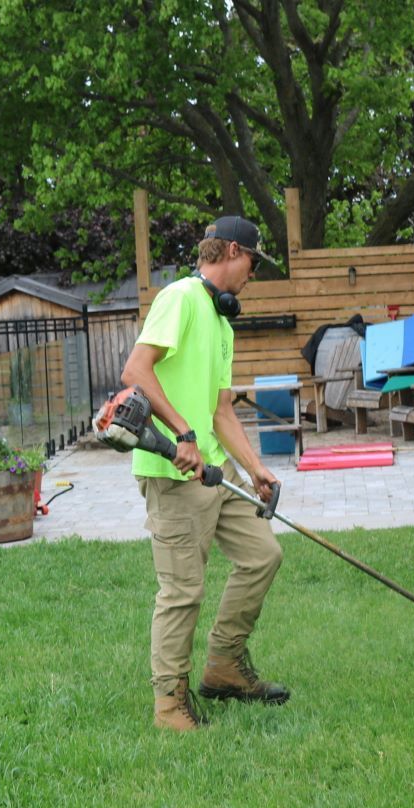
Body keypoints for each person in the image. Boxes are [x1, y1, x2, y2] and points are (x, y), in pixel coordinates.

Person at [119, 215, 290, 732]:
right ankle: (169, 705)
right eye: (254, 263)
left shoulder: (220, 321)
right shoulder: (180, 298)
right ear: (232, 251)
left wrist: (257, 468)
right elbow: (136, 372)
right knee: (182, 591)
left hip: (215, 470)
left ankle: (223, 667)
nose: (253, 276)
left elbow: (221, 410)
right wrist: (181, 435)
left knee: (263, 555)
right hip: (173, 473)